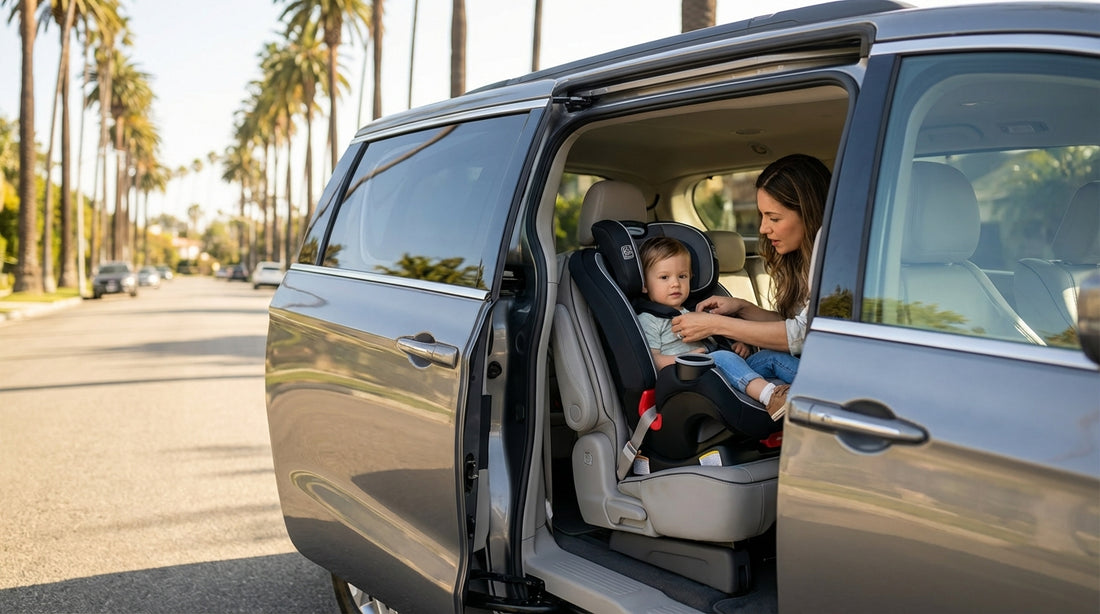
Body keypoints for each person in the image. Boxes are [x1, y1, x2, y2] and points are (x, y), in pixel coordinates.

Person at [669, 153, 832, 419]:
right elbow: (798, 325)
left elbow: (803, 336)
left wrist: (714, 325)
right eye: (762, 216)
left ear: (809, 213)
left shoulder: (835, 259)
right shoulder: (801, 262)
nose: (764, 228)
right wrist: (743, 308)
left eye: (774, 218)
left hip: (829, 375)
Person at [637, 236, 792, 420]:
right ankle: (772, 397)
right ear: (645, 284)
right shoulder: (649, 319)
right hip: (691, 378)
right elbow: (652, 360)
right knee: (721, 357)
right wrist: (685, 359)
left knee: (769, 356)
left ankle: (818, 389)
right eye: (664, 277)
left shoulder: (696, 311)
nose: (675, 283)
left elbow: (719, 340)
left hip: (725, 368)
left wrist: (740, 345)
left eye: (682, 276)